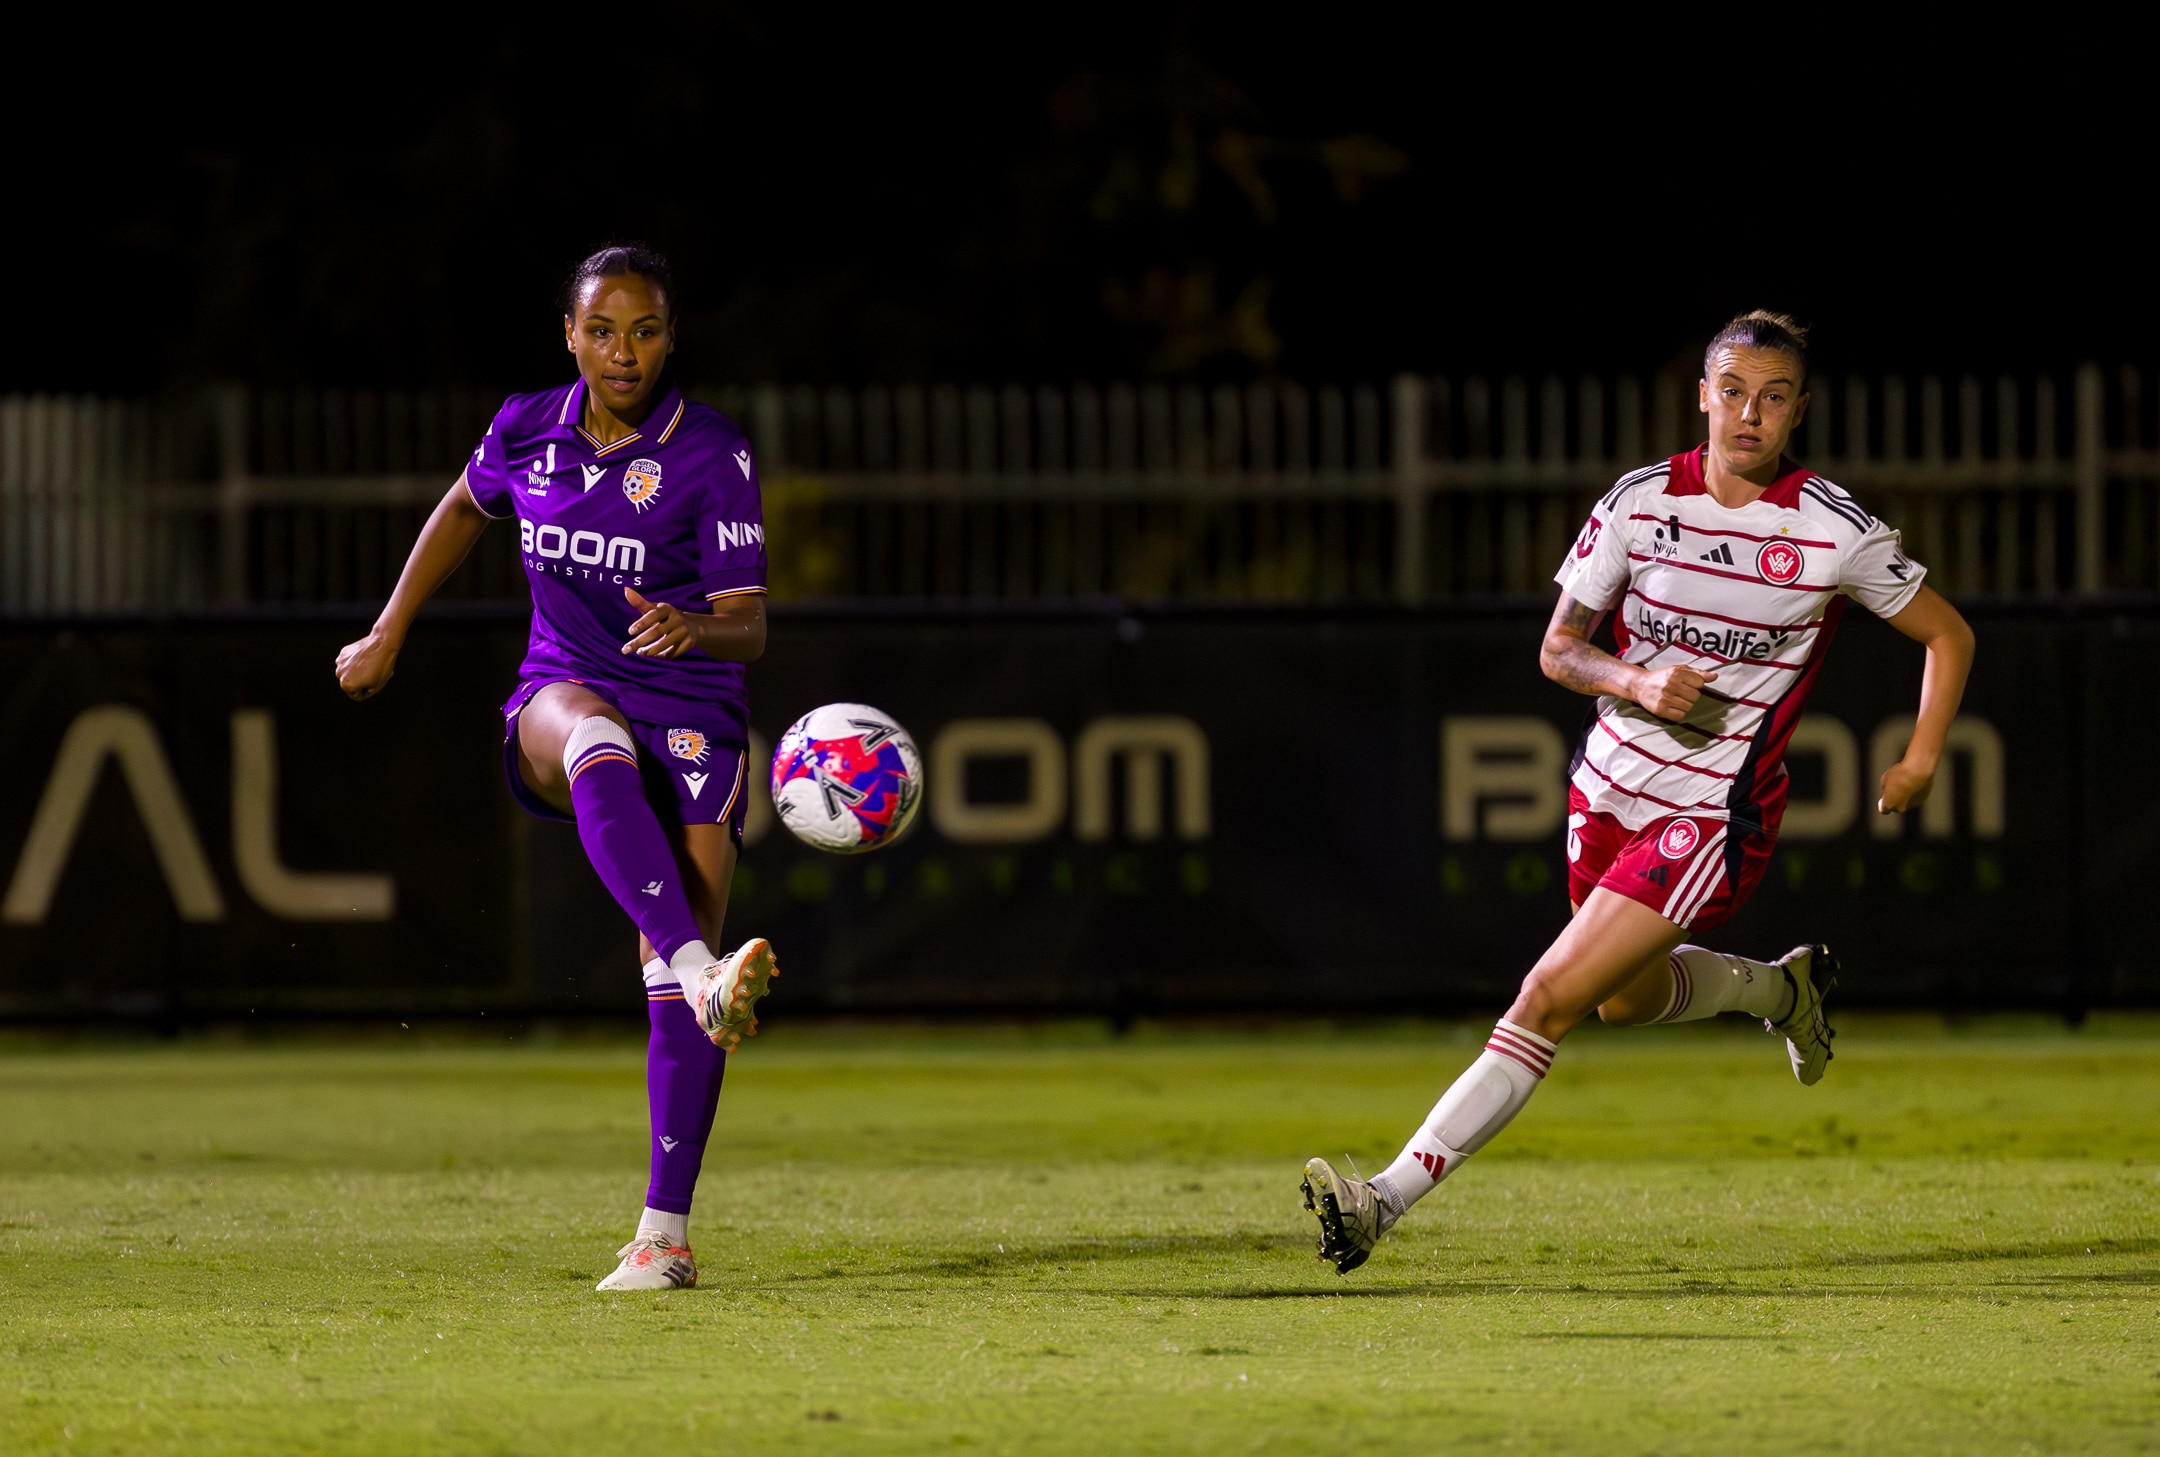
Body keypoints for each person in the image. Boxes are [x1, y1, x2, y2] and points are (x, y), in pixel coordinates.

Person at [1303, 311, 1976, 1273]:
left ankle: (1381, 1201)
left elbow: (1949, 635)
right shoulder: (1638, 501)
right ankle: (1784, 990)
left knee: (1545, 997)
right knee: (1621, 1002)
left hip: (1714, 812)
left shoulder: (1832, 530)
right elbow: (1559, 649)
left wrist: (1920, 757)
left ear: (1799, 411)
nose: (1751, 413)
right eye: (1733, 390)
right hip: (1606, 790)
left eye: (1774, 396)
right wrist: (1633, 680)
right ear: (1702, 394)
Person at [335, 243, 778, 1292]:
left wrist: (695, 626)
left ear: (672, 338)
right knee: (588, 732)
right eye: (604, 330)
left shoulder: (712, 454)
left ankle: (663, 1239)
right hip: (566, 688)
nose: (625, 352)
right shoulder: (525, 426)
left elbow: (752, 626)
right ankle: (697, 961)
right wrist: (391, 626)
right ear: (569, 334)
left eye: (647, 330)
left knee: (680, 997)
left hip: (695, 716)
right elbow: (459, 508)